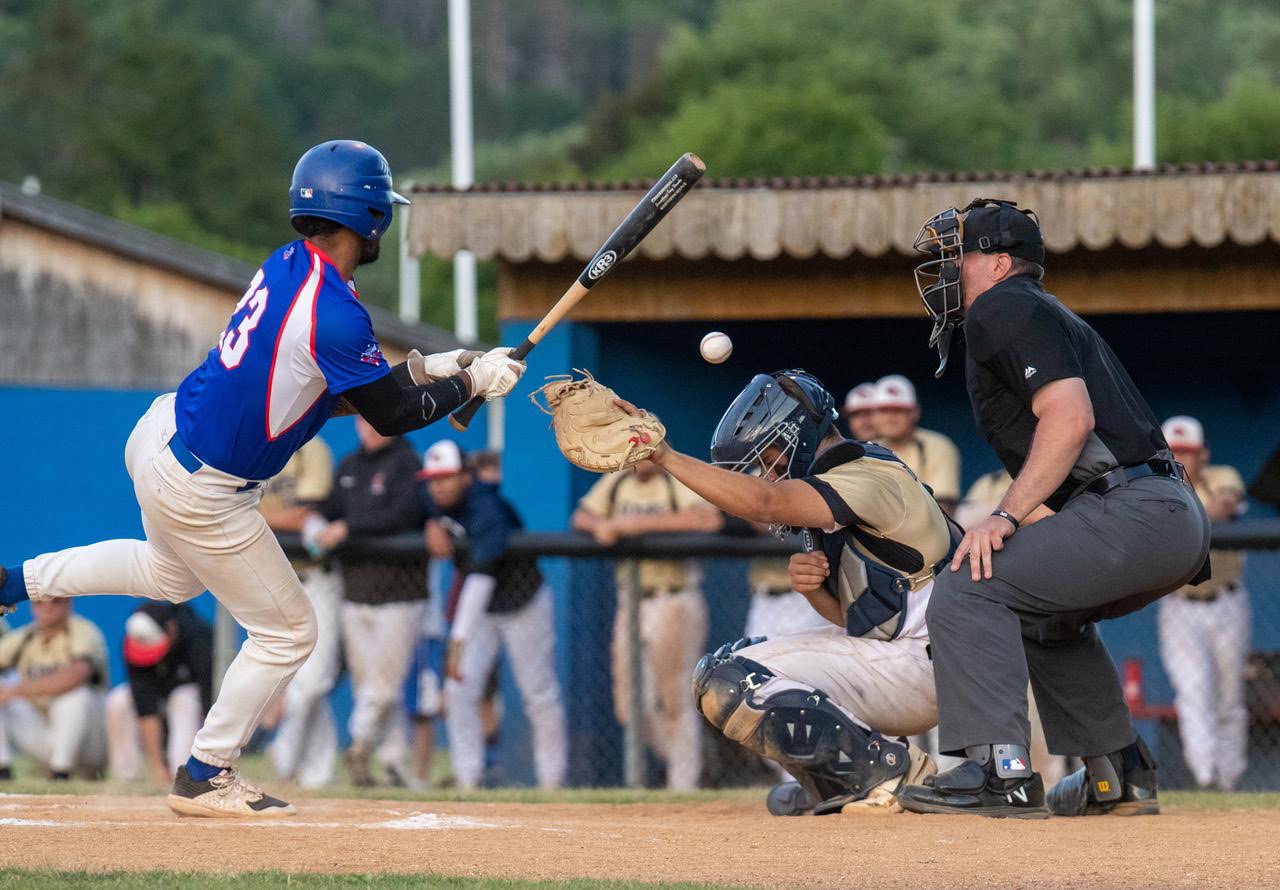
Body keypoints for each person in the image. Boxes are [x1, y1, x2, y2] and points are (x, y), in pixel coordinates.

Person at [0, 139, 526, 816]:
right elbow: (389, 415)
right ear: (368, 216)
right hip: (203, 488)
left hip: (161, 435)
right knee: (288, 632)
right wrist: (470, 384)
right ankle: (205, 772)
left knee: (170, 577)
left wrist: (430, 371)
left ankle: (14, 582)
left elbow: (319, 391)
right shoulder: (335, 311)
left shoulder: (289, 265)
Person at [896, 198, 1210, 819]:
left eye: (960, 257)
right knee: (1044, 617)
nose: (949, 271)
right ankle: (1118, 777)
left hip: (1134, 510)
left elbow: (1070, 418)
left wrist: (1004, 516)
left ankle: (1000, 775)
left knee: (968, 584)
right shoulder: (1038, 308)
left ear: (999, 263)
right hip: (1166, 514)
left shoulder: (1003, 305)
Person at [609, 370, 955, 813]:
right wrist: (813, 593)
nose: (769, 471)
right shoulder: (837, 486)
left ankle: (891, 772)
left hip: (929, 665)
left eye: (772, 457)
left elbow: (766, 503)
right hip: (902, 657)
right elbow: (855, 619)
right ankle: (836, 784)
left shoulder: (866, 472)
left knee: (738, 680)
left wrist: (665, 456)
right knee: (727, 666)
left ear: (799, 436)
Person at [421, 440, 567, 790]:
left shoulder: (487, 507)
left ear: (466, 476)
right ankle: (467, 778)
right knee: (458, 690)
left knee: (538, 692)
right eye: (433, 479)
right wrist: (429, 522)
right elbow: (412, 508)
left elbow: (481, 578)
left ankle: (553, 781)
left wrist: (457, 640)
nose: (438, 486)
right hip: (484, 612)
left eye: (447, 477)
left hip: (522, 604)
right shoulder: (434, 502)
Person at [572, 462, 722, 790]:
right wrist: (602, 525)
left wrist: (633, 525)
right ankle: (692, 760)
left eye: (644, 452)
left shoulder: (677, 478)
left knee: (675, 698)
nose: (638, 460)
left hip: (674, 597)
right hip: (631, 599)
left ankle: (684, 786)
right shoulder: (617, 481)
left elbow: (709, 519)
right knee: (629, 706)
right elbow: (581, 516)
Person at [307, 417, 429, 788]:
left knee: (386, 684)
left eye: (376, 420)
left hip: (400, 593)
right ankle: (393, 763)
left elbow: (405, 514)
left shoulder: (408, 462)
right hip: (355, 590)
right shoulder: (350, 465)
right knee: (368, 686)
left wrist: (349, 527)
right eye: (364, 419)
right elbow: (329, 509)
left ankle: (358, 743)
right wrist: (316, 524)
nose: (370, 427)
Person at [1157, 415, 1250, 791]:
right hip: (1181, 606)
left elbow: (1227, 503)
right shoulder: (1154, 488)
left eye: (1188, 452)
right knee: (1193, 692)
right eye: (1173, 452)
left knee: (1229, 697)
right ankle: (1206, 777)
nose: (1180, 459)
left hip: (1227, 602)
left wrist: (1186, 519)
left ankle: (1229, 778)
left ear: (1203, 455)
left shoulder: (1223, 475)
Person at [263, 438, 343, 789]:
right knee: (296, 682)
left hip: (315, 579)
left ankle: (284, 755)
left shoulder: (312, 448)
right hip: (271, 580)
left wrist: (256, 517)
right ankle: (317, 776)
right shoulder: (253, 442)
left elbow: (305, 514)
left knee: (312, 682)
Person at [0, 600, 109, 780]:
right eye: (39, 602)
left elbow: (76, 675)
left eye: (55, 601)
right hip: (46, 733)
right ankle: (3, 770)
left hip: (91, 740)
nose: (47, 607)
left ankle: (61, 773)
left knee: (75, 696)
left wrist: (17, 690)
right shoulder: (25, 636)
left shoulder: (82, 630)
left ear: (68, 603)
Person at [105, 602, 213, 784]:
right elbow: (145, 705)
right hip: (158, 705)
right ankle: (126, 777)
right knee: (119, 700)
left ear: (170, 629)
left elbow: (209, 700)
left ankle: (184, 773)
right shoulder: (133, 642)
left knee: (185, 698)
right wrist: (157, 768)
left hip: (190, 713)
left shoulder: (199, 636)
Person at [869, 375, 962, 514]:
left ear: (915, 412)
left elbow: (943, 509)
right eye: (883, 411)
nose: (890, 418)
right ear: (873, 416)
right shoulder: (868, 450)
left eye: (898, 410)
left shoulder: (938, 445)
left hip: (927, 523)